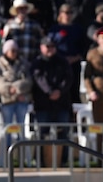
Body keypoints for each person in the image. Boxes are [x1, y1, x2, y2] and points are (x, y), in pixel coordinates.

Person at [31, 34, 73, 166]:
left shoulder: (62, 61)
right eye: (47, 46)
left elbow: (68, 79)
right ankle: (40, 160)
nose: (50, 49)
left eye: (52, 47)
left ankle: (63, 160)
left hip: (62, 103)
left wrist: (59, 91)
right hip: (43, 104)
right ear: (41, 47)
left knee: (64, 133)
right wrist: (49, 91)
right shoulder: (37, 63)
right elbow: (38, 79)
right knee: (42, 133)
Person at [0, 39, 32, 163]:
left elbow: (29, 81)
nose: (14, 53)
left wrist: (17, 88)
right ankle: (4, 160)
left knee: (22, 131)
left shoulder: (24, 63)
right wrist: (13, 92)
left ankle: (23, 161)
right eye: (12, 50)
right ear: (5, 51)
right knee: (6, 131)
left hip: (22, 101)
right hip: (6, 102)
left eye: (16, 50)